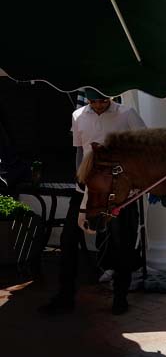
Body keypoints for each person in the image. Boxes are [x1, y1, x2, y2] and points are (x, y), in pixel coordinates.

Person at [39, 88, 146, 316]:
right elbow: (80, 151)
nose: (98, 105)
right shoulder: (78, 116)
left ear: (110, 96)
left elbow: (144, 147)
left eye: (102, 100)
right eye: (93, 101)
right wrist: (79, 181)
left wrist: (134, 182)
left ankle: (120, 296)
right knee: (68, 239)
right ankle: (65, 295)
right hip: (86, 189)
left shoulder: (127, 114)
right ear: (87, 98)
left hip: (117, 190)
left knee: (121, 242)